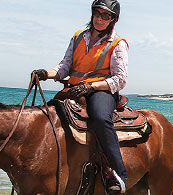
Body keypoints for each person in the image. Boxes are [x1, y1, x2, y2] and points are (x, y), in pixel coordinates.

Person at [31, 0, 129, 191]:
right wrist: (46, 73)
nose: (100, 19)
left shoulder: (118, 44)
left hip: (102, 91)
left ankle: (119, 174)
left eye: (105, 16)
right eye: (97, 14)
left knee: (100, 118)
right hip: (75, 89)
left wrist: (91, 88)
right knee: (45, 117)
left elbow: (120, 79)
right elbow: (65, 66)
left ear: (113, 19)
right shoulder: (78, 37)